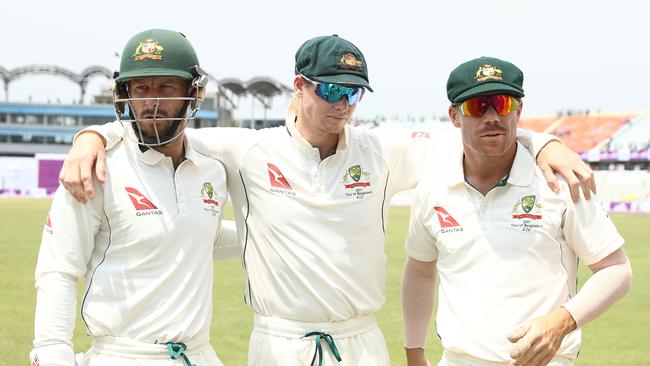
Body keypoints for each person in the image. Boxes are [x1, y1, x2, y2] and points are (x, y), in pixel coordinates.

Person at [59, 36, 595, 365]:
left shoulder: (381, 151)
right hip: (278, 345)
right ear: (299, 85)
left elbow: (476, 129)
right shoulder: (246, 152)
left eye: (353, 92)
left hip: (360, 343)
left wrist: (542, 141)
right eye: (331, 91)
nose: (343, 105)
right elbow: (158, 122)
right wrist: (94, 137)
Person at [401, 56, 632, 366]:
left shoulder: (561, 183)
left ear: (518, 111)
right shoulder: (434, 188)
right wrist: (414, 352)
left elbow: (617, 269)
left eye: (502, 103)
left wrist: (562, 321)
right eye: (476, 107)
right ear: (455, 117)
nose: (492, 116)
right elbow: (419, 269)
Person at [30, 29, 239, 366]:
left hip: (198, 355)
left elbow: (202, 236)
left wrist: (278, 233)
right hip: (123, 356)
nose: (151, 103)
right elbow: (59, 269)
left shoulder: (211, 168)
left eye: (166, 88)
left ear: (193, 94)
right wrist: (52, 351)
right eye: (141, 88)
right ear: (124, 94)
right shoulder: (96, 167)